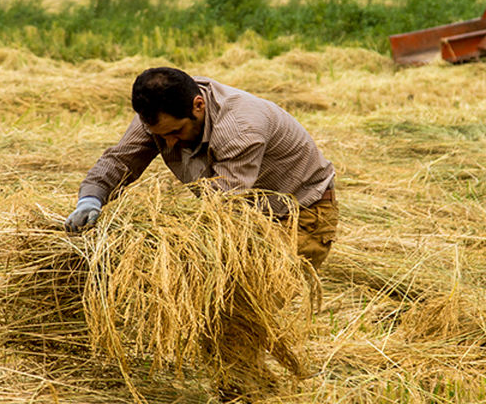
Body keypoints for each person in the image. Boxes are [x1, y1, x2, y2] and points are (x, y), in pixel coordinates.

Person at [65, 66, 338, 271]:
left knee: (241, 311)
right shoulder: (160, 116)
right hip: (248, 214)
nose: (168, 141)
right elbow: (121, 161)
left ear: (199, 106)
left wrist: (159, 238)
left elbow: (223, 204)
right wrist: (91, 199)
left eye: (175, 132)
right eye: (159, 135)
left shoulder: (240, 127)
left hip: (299, 216)